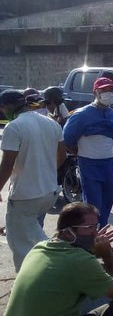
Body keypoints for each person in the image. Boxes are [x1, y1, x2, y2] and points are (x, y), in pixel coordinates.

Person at [0, 89, 66, 271]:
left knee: (20, 243)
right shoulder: (51, 123)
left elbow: (7, 165)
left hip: (25, 197)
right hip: (49, 193)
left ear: (8, 107)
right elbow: (62, 155)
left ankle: (31, 282)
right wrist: (45, 171)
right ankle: (53, 265)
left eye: (3, 108)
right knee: (34, 236)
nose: (3, 112)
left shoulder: (13, 127)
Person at [63, 78, 113, 226]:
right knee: (92, 206)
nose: (108, 93)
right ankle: (89, 240)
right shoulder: (81, 115)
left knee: (108, 201)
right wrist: (79, 153)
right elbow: (67, 139)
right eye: (103, 90)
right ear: (95, 92)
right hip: (89, 164)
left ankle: (99, 237)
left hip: (109, 164)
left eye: (111, 90)